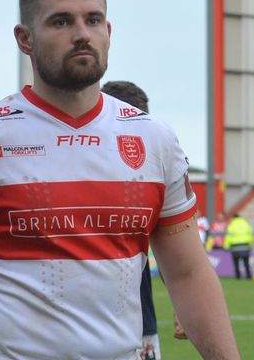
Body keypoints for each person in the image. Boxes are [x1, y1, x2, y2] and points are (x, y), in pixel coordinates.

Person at [0, 0, 239, 359]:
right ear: (24, 39)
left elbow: (188, 273)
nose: (81, 34)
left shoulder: (155, 140)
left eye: (93, 20)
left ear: (108, 31)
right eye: (60, 22)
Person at [101, 79, 162, 358]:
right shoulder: (67, 169)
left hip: (139, 324)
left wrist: (186, 306)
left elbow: (175, 249)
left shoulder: (150, 175)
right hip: (71, 328)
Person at [224, 214, 254, 280]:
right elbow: (251, 234)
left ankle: (238, 276)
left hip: (235, 246)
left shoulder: (231, 225)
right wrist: (251, 244)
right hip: (245, 245)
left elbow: (228, 236)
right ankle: (248, 276)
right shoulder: (246, 224)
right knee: (246, 262)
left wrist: (226, 246)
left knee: (236, 262)